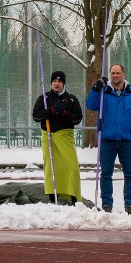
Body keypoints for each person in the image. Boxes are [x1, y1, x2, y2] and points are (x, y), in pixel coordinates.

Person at [86, 63, 131, 215]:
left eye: (118, 73)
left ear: (124, 75)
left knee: (129, 173)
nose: (115, 75)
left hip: (127, 140)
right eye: (112, 73)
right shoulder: (103, 93)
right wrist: (95, 89)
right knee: (106, 173)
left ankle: (129, 205)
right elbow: (90, 105)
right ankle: (107, 205)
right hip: (107, 139)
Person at [32, 71, 83, 205]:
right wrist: (51, 111)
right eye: (54, 81)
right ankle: (52, 197)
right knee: (51, 168)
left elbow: (77, 118)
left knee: (72, 167)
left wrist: (64, 113)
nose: (56, 83)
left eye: (59, 81)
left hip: (65, 137)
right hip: (48, 136)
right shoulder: (44, 98)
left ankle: (74, 197)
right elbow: (36, 115)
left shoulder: (71, 99)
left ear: (63, 83)